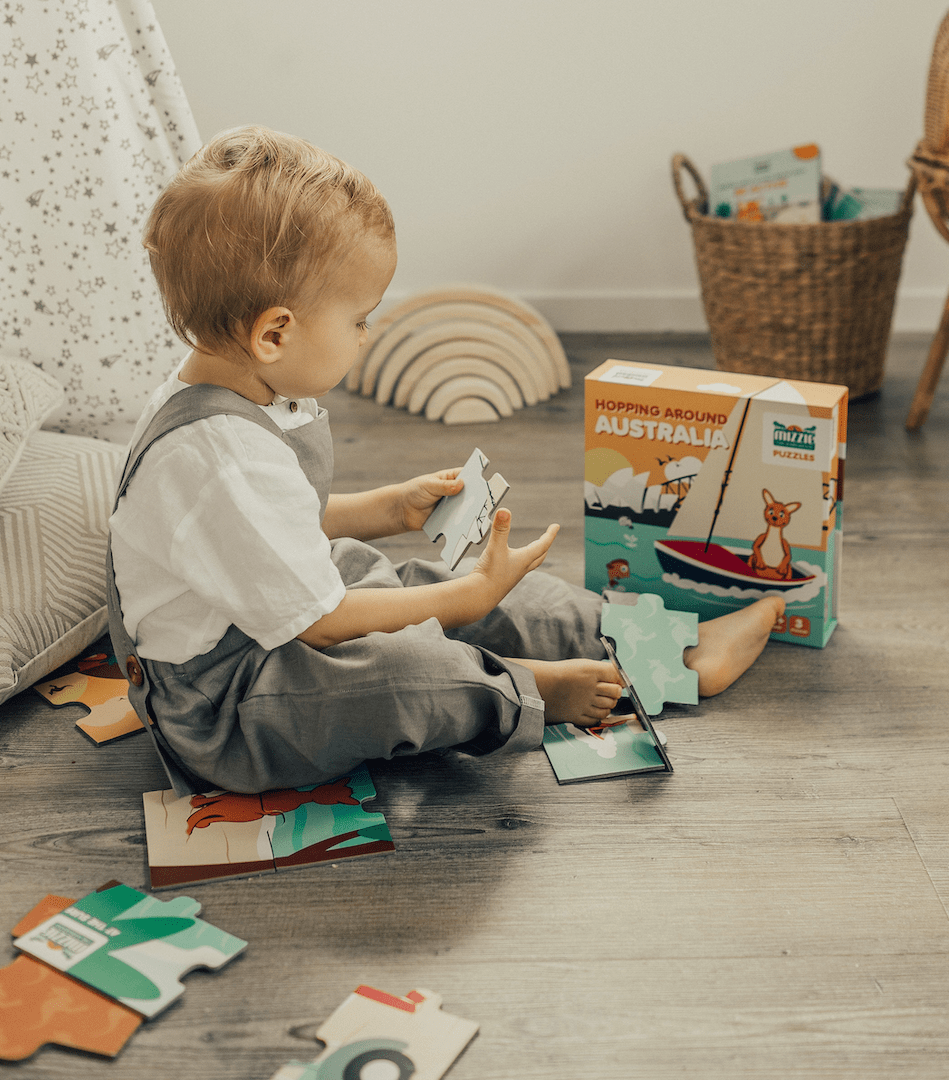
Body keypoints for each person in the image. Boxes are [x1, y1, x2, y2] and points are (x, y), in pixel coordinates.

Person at [108, 125, 783, 796]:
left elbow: (272, 530)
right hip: (224, 704)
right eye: (360, 320)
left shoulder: (229, 387)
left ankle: (660, 644)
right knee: (401, 673)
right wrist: (466, 597)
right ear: (275, 333)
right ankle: (525, 687)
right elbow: (320, 623)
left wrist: (389, 508)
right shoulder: (217, 457)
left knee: (409, 580)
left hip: (264, 621)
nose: (368, 336)